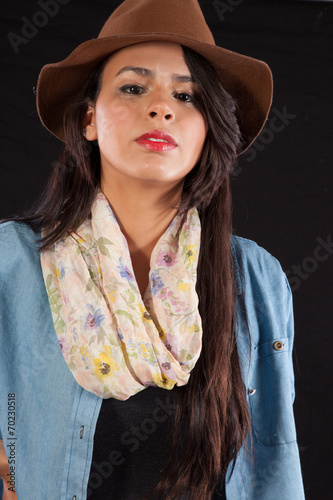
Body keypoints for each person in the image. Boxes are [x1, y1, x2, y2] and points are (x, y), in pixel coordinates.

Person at [0, 0, 305, 498]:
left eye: (187, 96)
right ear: (88, 119)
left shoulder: (255, 277)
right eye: (134, 87)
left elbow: (276, 465)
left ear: (208, 129)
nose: (161, 107)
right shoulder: (9, 262)